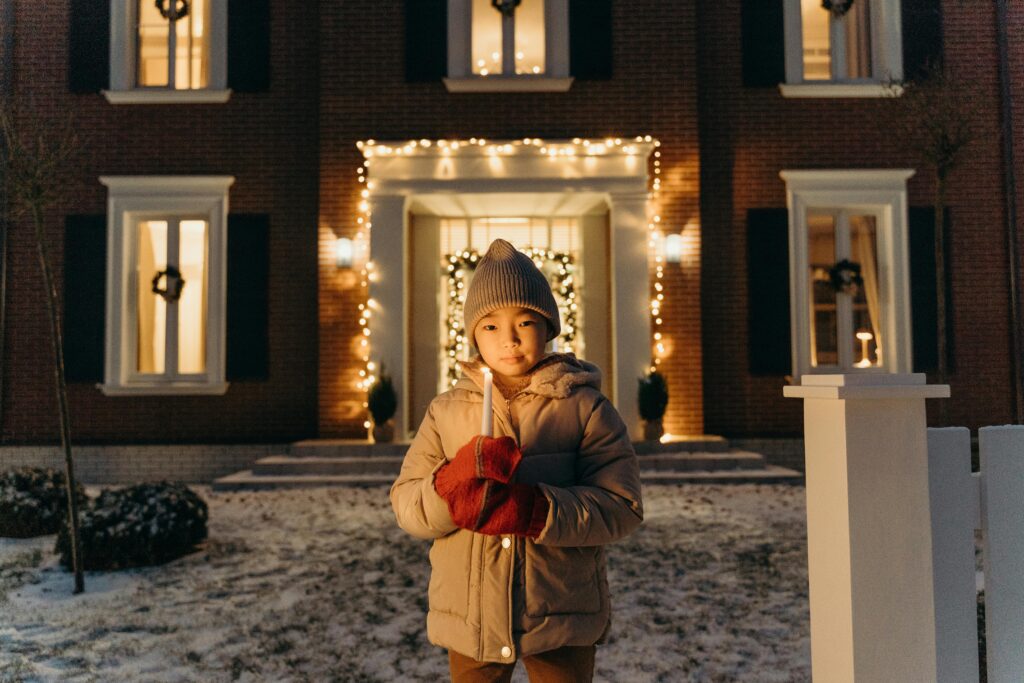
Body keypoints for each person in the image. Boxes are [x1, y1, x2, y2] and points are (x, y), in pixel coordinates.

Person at [390, 238, 644, 683]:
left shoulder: (584, 407)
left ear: (547, 327)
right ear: (471, 333)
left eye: (524, 321)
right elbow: (408, 505)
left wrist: (538, 511)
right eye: (490, 326)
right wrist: (450, 491)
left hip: (559, 613)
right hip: (472, 619)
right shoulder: (446, 412)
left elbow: (622, 506)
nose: (508, 339)